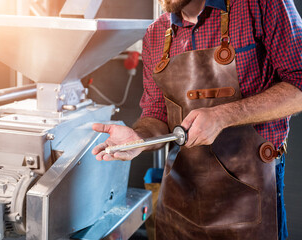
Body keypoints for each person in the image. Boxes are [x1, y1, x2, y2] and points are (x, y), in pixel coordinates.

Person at [92, 0, 302, 239]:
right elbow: (156, 115)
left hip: (252, 187)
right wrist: (138, 138)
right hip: (183, 193)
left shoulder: (259, 5)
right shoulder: (156, 33)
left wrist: (223, 116)